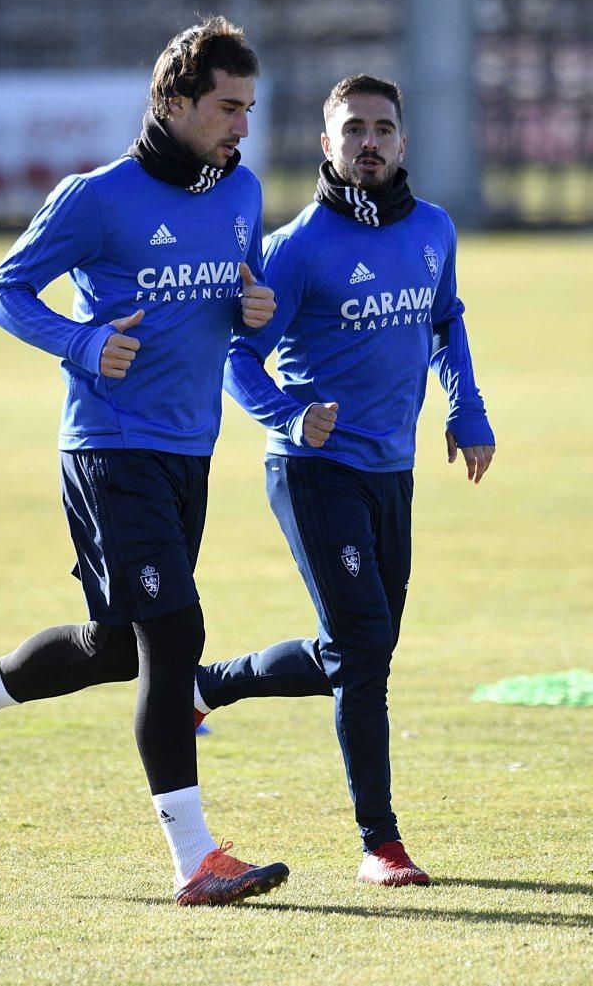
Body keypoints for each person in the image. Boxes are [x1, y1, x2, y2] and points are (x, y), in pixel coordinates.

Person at [0, 16, 290, 908]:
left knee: (119, 647)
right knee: (176, 635)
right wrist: (80, 343)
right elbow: (4, 289)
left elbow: (238, 305)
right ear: (177, 100)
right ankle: (195, 857)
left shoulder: (240, 194)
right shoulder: (97, 196)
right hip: (110, 448)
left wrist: (253, 311)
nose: (241, 126)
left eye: (250, 109)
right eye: (227, 108)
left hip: (189, 449)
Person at [192, 73, 495, 886]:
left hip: (391, 472)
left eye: (383, 128)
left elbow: (444, 321)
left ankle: (205, 685)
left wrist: (467, 410)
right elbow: (235, 356)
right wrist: (289, 415)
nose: (369, 140)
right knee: (364, 650)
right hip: (314, 469)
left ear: (402, 142)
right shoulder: (297, 249)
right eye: (353, 128)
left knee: (358, 647)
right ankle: (380, 842)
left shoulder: (434, 229)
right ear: (327, 144)